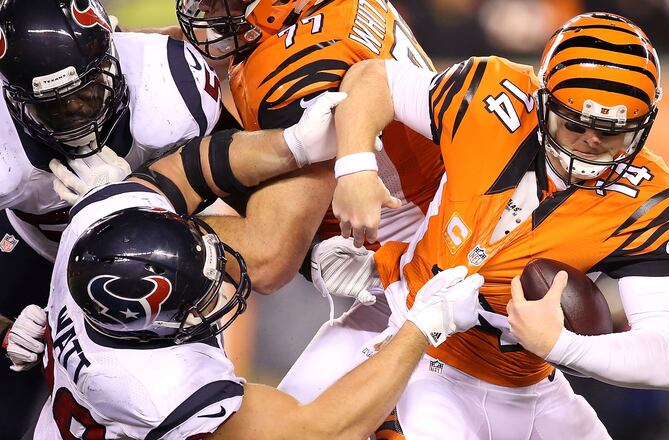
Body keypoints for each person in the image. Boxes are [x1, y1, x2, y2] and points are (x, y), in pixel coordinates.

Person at [29, 96, 485, 438]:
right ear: (149, 331)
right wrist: (423, 326)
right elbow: (321, 431)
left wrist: (291, 146)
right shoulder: (157, 390)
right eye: (197, 302)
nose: (222, 292)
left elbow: (189, 170)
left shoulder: (96, 228)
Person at [327, 12, 669, 438]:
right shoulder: (490, 95)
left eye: (612, 132)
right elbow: (373, 79)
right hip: (424, 357)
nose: (591, 141)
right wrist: (354, 167)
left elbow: (667, 356)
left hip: (532, 383)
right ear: (542, 99)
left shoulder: (650, 201)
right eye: (575, 123)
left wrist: (560, 345)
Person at [175, 0, 445, 402]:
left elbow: (268, 259)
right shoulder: (323, 19)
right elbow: (213, 42)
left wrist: (139, 205)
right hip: (418, 246)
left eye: (225, 1)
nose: (209, 10)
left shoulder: (295, 69)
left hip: (427, 274)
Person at [0, 0, 223, 435]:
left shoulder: (169, 83)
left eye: (87, 91)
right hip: (34, 253)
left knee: (164, 402)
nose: (78, 116)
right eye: (54, 107)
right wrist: (5, 330)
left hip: (150, 255)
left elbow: (232, 168)